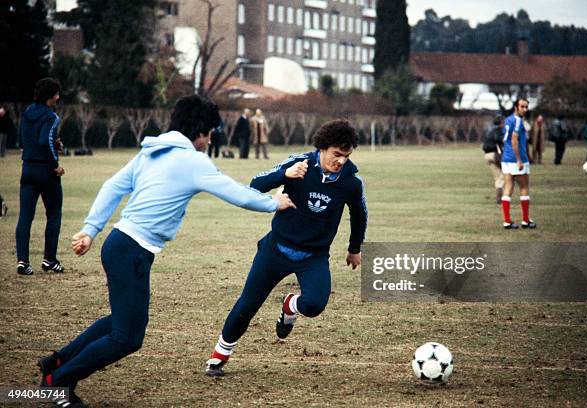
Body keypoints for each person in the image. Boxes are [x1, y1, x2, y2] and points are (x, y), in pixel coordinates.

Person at [37, 94, 295, 408]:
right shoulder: (192, 161)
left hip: (122, 245)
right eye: (210, 132)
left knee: (121, 321)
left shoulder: (151, 151)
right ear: (199, 130)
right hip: (130, 250)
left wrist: (91, 230)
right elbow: (237, 194)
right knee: (128, 337)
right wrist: (274, 203)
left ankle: (56, 362)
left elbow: (112, 186)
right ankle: (58, 382)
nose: (211, 138)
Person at [205, 119, 368, 377]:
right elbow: (255, 184)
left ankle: (290, 306)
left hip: (313, 257)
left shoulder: (351, 183)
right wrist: (285, 175)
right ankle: (219, 356)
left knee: (314, 305)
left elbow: (360, 215)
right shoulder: (299, 163)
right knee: (247, 305)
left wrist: (354, 248)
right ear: (322, 148)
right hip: (275, 250)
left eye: (346, 156)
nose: (341, 161)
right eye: (337, 154)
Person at [15, 78, 65, 275]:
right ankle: (50, 260)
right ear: (49, 97)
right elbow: (45, 141)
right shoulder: (52, 117)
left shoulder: (27, 113)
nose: (58, 97)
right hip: (46, 173)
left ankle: (23, 262)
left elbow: (22, 142)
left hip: (27, 170)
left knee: (25, 217)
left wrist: (54, 144)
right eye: (56, 94)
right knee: (53, 214)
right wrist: (55, 166)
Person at [500, 98, 536, 230]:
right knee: (524, 187)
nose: (525, 109)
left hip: (506, 158)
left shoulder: (508, 119)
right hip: (516, 159)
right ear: (516, 107)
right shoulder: (517, 120)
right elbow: (514, 141)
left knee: (508, 187)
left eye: (526, 107)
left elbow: (506, 140)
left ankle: (507, 221)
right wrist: (519, 160)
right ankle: (526, 220)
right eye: (522, 107)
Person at [482, 115, 505, 203]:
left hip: (487, 155)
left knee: (497, 176)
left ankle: (499, 196)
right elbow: (500, 140)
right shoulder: (497, 131)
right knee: (503, 174)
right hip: (494, 155)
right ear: (500, 123)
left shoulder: (489, 130)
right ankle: (501, 195)